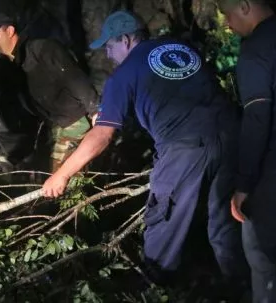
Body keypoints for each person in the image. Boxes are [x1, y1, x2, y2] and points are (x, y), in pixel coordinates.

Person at [41, 10, 249, 285]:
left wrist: (62, 174)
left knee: (162, 227)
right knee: (225, 224)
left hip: (184, 148)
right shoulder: (182, 49)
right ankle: (244, 289)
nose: (108, 54)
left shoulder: (123, 75)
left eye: (110, 46)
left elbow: (103, 135)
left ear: (126, 39)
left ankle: (153, 290)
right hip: (233, 136)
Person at [219, 0, 276, 301]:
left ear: (244, 7)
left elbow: (257, 119)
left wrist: (244, 184)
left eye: (228, 15)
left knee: (267, 261)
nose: (228, 24)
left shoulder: (257, 49)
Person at [0, 12, 99, 172]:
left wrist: (95, 110)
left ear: (9, 31)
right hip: (48, 128)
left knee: (63, 178)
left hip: (74, 122)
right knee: (45, 177)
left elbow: (75, 77)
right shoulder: (5, 68)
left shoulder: (42, 49)